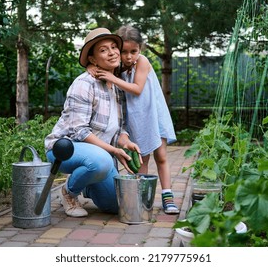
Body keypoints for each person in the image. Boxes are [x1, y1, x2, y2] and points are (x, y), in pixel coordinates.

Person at [44, 27, 141, 217]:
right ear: (93, 59)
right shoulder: (84, 83)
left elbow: (120, 128)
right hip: (65, 149)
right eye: (103, 50)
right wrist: (113, 151)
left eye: (114, 47)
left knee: (116, 205)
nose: (112, 52)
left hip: (98, 157)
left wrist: (126, 142)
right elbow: (79, 131)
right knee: (102, 160)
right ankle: (69, 192)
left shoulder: (118, 86)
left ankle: (87, 183)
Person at [89, 25, 179, 214]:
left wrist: (112, 78)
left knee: (161, 156)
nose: (129, 57)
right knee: (140, 159)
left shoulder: (142, 62)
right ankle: (140, 198)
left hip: (152, 115)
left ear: (141, 49)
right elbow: (96, 65)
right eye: (124, 52)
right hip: (135, 119)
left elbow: (137, 89)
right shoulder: (116, 67)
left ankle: (168, 197)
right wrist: (92, 67)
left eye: (134, 51)